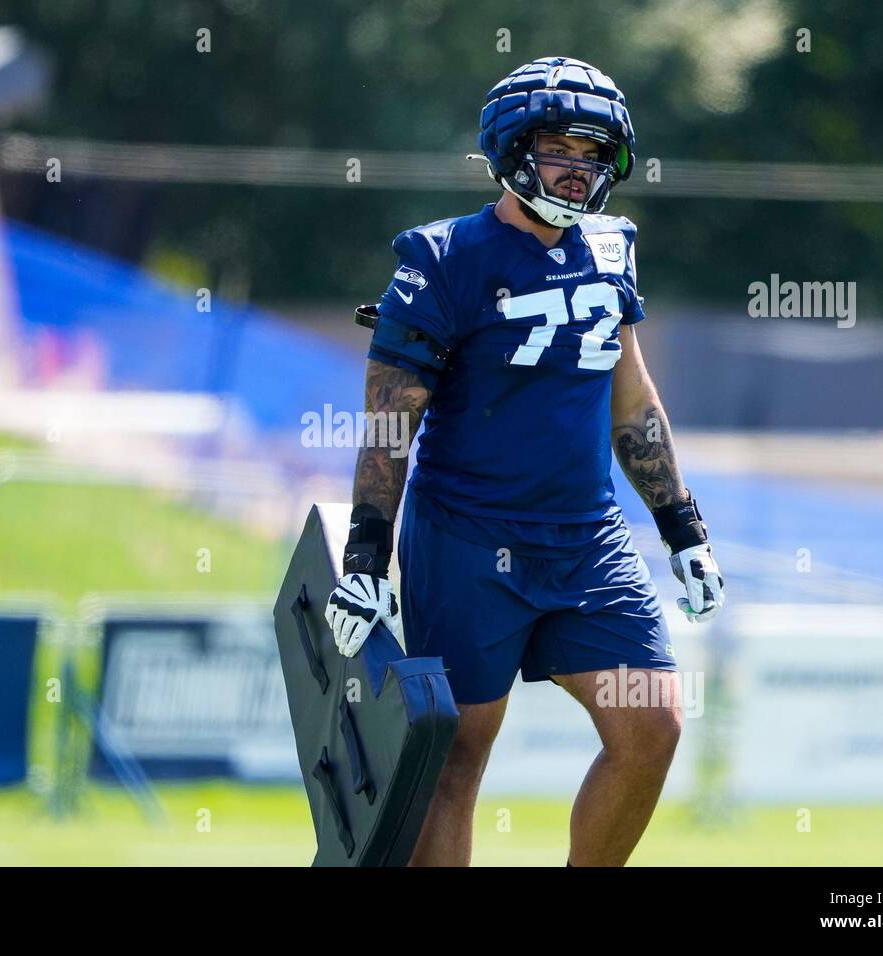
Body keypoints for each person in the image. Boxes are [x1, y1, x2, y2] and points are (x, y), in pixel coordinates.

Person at [325, 57, 725, 866]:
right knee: (454, 757)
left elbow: (632, 399)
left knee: (651, 723)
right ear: (510, 150)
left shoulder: (612, 249)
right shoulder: (442, 259)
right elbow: (390, 422)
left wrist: (682, 526)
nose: (578, 171)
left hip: (587, 542)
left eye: (592, 153)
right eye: (558, 149)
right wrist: (368, 549)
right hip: (468, 542)